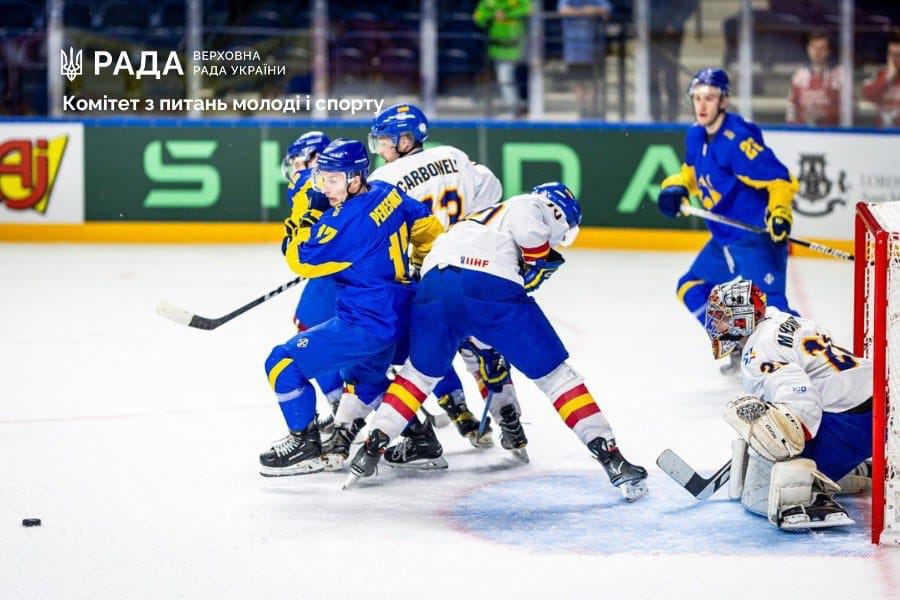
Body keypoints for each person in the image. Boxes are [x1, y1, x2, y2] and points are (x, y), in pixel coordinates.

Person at [345, 182, 649, 501]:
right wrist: (537, 260)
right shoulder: (531, 204)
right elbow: (530, 238)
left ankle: (372, 445)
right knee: (557, 378)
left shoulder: (476, 220)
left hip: (434, 288)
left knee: (417, 377)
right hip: (489, 287)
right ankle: (612, 459)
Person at [258, 139, 443, 477]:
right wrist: (416, 262)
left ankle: (304, 445)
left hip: (365, 323)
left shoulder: (346, 223)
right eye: (321, 178)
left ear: (356, 178)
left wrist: (306, 210)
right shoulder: (388, 192)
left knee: (281, 363)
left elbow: (298, 258)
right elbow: (428, 227)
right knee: (365, 384)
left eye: (333, 179)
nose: (324, 187)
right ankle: (421, 440)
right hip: (397, 314)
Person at [362, 103, 520, 468]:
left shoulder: (385, 181)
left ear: (405, 140)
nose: (380, 150)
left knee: (421, 353)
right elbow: (492, 192)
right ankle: (510, 422)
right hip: (475, 267)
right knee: (480, 350)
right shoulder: (453, 155)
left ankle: (447, 415)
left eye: (384, 142)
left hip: (428, 277)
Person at [657, 67, 799, 374]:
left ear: (723, 100)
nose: (702, 105)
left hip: (755, 237)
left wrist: (779, 212)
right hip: (723, 237)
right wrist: (676, 187)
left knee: (774, 310)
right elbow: (691, 175)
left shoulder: (737, 139)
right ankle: (739, 343)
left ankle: (810, 361)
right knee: (692, 287)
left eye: (709, 98)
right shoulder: (695, 134)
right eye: (697, 98)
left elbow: (780, 179)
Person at [705, 279, 872, 530]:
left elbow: (800, 396)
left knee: (765, 482)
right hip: (877, 403)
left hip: (855, 423)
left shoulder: (758, 350)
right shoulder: (785, 321)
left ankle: (810, 494)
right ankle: (848, 466)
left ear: (743, 319)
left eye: (722, 317)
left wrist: (781, 448)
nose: (716, 324)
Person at [280, 132, 343, 431]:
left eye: (295, 161)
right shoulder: (346, 177)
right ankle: (453, 402)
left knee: (313, 332)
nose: (293, 168)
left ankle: (344, 406)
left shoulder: (307, 181)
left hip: (341, 275)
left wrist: (302, 248)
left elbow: (297, 242)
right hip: (363, 270)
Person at [473, 0, 532, 117]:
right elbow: (478, 18)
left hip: (519, 45)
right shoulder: (489, 2)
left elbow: (528, 10)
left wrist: (507, 14)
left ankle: (515, 110)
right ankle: (514, 109)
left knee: (512, 76)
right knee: (504, 77)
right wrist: (493, 14)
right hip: (498, 48)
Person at [558, 0, 611, 118]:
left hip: (591, 49)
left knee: (592, 83)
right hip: (573, 49)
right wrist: (583, 12)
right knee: (577, 83)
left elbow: (606, 9)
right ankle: (582, 111)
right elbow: (562, 10)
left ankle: (591, 111)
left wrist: (592, 10)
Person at [649, 0, 697, 122]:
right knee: (652, 78)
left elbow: (690, 5)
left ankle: (672, 117)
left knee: (670, 78)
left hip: (671, 37)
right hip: (652, 34)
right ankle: (656, 117)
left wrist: (675, 24)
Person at [786, 31, 842, 127]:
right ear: (808, 49)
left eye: (822, 48)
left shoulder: (839, 75)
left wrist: (827, 113)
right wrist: (790, 129)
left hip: (831, 133)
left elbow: (849, 109)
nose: (817, 52)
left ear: (829, 51)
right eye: (814, 47)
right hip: (803, 133)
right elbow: (791, 107)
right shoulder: (799, 75)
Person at [861, 34, 900, 128]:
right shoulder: (880, 74)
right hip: (882, 135)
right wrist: (888, 78)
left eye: (898, 55)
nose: (894, 60)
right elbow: (868, 95)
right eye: (891, 55)